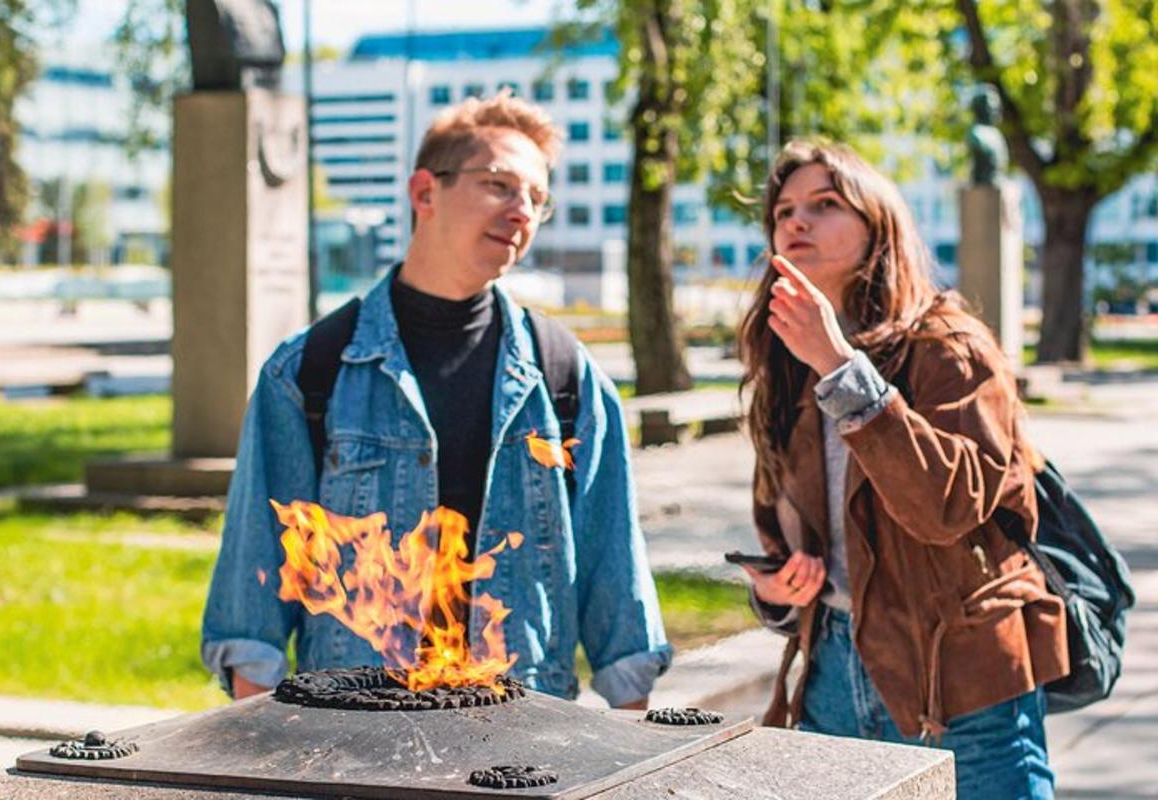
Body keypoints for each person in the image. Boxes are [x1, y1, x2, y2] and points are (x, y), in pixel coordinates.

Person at [201, 92, 671, 709]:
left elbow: (619, 595)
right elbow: (252, 601)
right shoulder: (310, 372)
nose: (522, 209)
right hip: (355, 740)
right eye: (501, 185)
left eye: (537, 197)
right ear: (425, 192)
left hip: (523, 742)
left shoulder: (567, 378)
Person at [737, 140, 1068, 799]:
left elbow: (947, 507)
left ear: (877, 224)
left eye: (825, 204)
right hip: (831, 671)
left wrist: (842, 371)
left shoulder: (946, 343)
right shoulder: (784, 361)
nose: (796, 222)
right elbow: (788, 528)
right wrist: (777, 589)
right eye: (784, 211)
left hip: (960, 682)